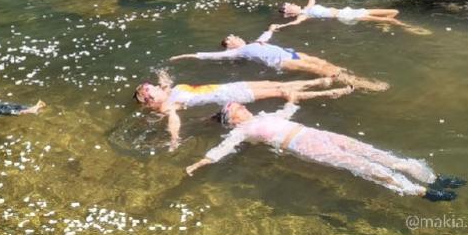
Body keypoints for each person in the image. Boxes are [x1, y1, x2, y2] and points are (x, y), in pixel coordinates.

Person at [185, 98, 466, 201]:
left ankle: (432, 178)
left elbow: (287, 111)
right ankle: (422, 193)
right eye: (236, 108)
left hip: (317, 134)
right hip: (303, 146)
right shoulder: (240, 131)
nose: (242, 107)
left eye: (241, 105)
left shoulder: (262, 116)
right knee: (364, 167)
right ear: (231, 119)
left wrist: (293, 99)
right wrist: (200, 164)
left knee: (377, 154)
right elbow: (222, 150)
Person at [134, 69, 353, 150]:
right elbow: (174, 120)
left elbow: (163, 80)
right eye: (150, 91)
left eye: (151, 86)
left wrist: (160, 74)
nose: (154, 87)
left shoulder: (168, 91)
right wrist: (174, 139)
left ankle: (317, 83)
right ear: (151, 101)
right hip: (232, 95)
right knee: (279, 91)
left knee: (272, 84)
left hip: (232, 87)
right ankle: (326, 92)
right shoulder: (167, 106)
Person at [169, 28, 388, 92]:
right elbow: (209, 55)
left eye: (234, 35)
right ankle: (360, 83)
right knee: (320, 70)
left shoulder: (254, 42)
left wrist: (271, 28)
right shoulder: (235, 52)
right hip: (282, 62)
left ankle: (345, 74)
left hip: (289, 52)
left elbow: (266, 36)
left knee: (321, 62)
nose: (235, 36)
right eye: (231, 38)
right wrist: (184, 55)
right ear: (229, 46)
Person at [275, 0, 427, 33]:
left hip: (349, 11)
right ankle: (410, 28)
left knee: (394, 11)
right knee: (391, 20)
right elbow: (295, 22)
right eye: (290, 6)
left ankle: (384, 26)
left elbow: (311, 2)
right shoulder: (304, 15)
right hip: (346, 16)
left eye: (291, 3)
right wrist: (280, 26)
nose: (293, 4)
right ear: (289, 13)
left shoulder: (306, 8)